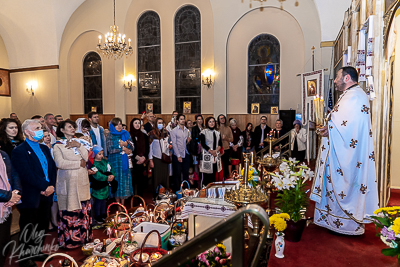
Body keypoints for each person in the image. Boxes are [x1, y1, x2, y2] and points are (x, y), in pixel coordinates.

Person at [310, 66, 379, 235]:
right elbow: (341, 122)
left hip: (348, 154)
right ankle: (331, 220)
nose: (334, 81)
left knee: (343, 186)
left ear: (347, 78)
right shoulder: (349, 96)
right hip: (336, 151)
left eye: (337, 77)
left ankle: (346, 224)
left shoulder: (356, 97)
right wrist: (328, 127)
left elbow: (350, 129)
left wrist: (330, 128)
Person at [11, 119, 57, 265]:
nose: (40, 130)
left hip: (46, 194)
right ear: (26, 132)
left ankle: (37, 251)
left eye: (40, 127)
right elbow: (26, 174)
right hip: (31, 194)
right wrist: (44, 186)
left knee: (42, 225)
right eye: (36, 128)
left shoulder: (44, 148)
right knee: (29, 227)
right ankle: (25, 258)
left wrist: (51, 186)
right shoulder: (20, 151)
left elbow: (51, 169)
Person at [53, 119, 92, 248]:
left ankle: (84, 238)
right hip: (68, 184)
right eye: (69, 127)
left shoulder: (80, 142)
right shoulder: (57, 145)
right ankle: (70, 242)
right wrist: (78, 164)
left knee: (83, 212)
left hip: (82, 182)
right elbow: (60, 163)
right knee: (70, 213)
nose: (72, 129)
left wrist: (79, 145)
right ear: (62, 130)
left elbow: (86, 158)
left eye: (73, 127)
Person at [0, 149, 21, 267]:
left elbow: (14, 174)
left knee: (4, 242)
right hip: (4, 200)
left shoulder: (3, 154)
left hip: (5, 208)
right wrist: (8, 196)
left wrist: (16, 192)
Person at [106, 118, 133, 207]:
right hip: (115, 162)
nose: (119, 126)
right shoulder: (110, 135)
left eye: (120, 124)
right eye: (116, 124)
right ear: (112, 126)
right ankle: (118, 206)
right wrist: (123, 148)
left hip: (124, 162)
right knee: (117, 181)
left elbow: (132, 146)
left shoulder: (126, 134)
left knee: (124, 182)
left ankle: (123, 205)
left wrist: (126, 145)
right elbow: (110, 149)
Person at [90, 145, 115, 223]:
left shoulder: (105, 161)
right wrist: (106, 177)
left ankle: (103, 214)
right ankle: (98, 216)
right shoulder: (93, 163)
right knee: (98, 201)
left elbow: (111, 169)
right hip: (98, 185)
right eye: (99, 154)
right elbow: (97, 175)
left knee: (104, 201)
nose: (101, 156)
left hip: (105, 186)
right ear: (94, 154)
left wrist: (112, 175)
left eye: (102, 154)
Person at [149, 118, 171, 197]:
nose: (160, 124)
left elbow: (166, 144)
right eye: (159, 123)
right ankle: (155, 195)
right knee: (157, 178)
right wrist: (150, 160)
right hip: (156, 158)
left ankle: (164, 195)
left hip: (164, 158)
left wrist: (169, 147)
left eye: (162, 122)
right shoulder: (152, 133)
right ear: (155, 124)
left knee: (165, 177)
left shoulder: (166, 132)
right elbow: (150, 148)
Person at [170, 114, 191, 191]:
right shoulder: (174, 131)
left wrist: (188, 141)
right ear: (177, 121)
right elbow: (174, 144)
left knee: (186, 173)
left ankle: (186, 190)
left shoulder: (187, 130)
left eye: (183, 119)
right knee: (177, 174)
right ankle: (177, 191)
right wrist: (178, 155)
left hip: (186, 153)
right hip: (177, 155)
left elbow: (187, 143)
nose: (183, 120)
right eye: (181, 119)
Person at [199, 117, 222, 187]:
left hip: (215, 155)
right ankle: (204, 190)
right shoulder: (204, 132)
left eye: (213, 122)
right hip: (207, 154)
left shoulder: (217, 133)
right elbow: (203, 144)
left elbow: (220, 144)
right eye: (210, 122)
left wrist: (216, 151)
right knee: (206, 175)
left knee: (213, 174)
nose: (212, 123)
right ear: (207, 123)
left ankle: (212, 190)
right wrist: (211, 151)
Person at [129, 118, 149, 196]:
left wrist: (143, 158)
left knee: (141, 182)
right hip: (134, 161)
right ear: (132, 124)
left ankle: (141, 199)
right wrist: (138, 158)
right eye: (135, 123)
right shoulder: (129, 135)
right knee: (133, 182)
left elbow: (147, 148)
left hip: (142, 161)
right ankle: (133, 200)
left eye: (138, 123)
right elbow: (130, 149)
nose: (137, 124)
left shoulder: (144, 135)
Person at [217, 114, 233, 179]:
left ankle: (225, 177)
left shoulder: (228, 128)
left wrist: (226, 138)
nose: (222, 119)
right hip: (218, 149)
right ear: (218, 120)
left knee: (226, 164)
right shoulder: (217, 128)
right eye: (221, 118)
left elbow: (232, 139)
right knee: (219, 164)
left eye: (223, 118)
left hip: (226, 148)